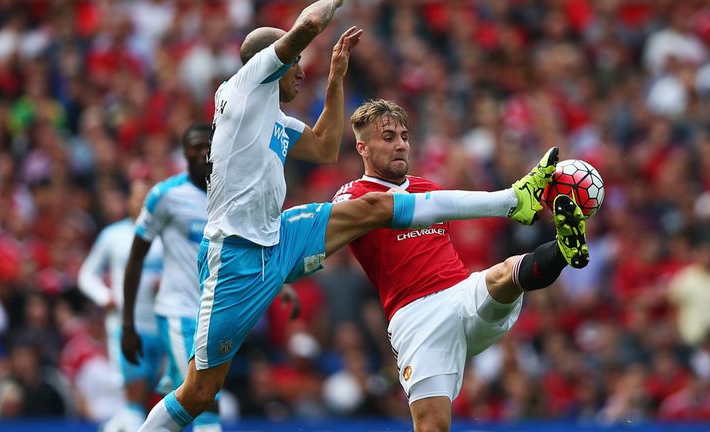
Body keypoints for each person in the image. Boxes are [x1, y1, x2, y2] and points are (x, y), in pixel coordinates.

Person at [137, 1, 586, 430]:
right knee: (199, 391)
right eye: (296, 66)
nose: (301, 72)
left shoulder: (273, 119)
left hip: (278, 239)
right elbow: (308, 26)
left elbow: (326, 145)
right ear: (274, 65)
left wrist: (336, 78)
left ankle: (515, 201)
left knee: (372, 209)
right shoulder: (245, 83)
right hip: (234, 257)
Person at [330, 99, 590, 431]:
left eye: (404, 136)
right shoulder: (350, 196)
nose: (400, 145)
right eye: (389, 137)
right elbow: (378, 213)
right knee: (432, 426)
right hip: (416, 318)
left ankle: (565, 249)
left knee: (504, 274)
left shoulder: (429, 188)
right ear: (362, 147)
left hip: (461, 293)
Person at [121, 124, 223, 432]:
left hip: (215, 317)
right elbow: (136, 257)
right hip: (177, 312)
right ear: (184, 153)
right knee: (203, 398)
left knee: (190, 399)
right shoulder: (165, 196)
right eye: (195, 145)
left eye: (209, 144)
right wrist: (128, 324)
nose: (203, 150)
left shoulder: (230, 196)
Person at [78, 180, 165, 432]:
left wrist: (166, 284)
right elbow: (87, 274)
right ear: (128, 202)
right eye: (137, 197)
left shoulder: (166, 236)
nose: (142, 202)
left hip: (161, 327)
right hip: (126, 326)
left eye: (147, 197)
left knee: (146, 402)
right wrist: (105, 297)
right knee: (135, 398)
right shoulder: (114, 236)